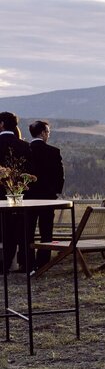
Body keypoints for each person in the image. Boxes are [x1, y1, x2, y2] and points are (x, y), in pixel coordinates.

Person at [26, 120, 64, 270]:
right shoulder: (54, 151)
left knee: (28, 231)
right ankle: (44, 262)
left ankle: (28, 263)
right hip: (48, 197)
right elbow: (60, 175)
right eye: (48, 132)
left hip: (28, 198)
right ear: (42, 133)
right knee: (46, 231)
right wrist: (55, 192)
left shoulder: (26, 150)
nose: (48, 135)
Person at [0, 111, 32, 273]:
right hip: (20, 196)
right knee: (21, 230)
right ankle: (24, 263)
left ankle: (3, 265)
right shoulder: (25, 146)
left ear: (1, 124)